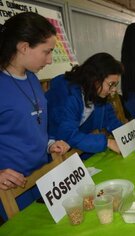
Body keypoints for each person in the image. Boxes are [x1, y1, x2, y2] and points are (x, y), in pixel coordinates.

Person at [0, 12, 70, 221]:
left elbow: (32, 126)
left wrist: (49, 144)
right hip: (11, 189)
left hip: (42, 177)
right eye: (46, 52)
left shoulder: (31, 77)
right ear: (23, 47)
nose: (49, 60)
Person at [46, 53, 123, 158]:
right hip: (54, 156)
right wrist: (107, 143)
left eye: (115, 85)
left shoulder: (95, 92)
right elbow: (67, 134)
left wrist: (126, 134)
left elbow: (111, 119)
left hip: (79, 152)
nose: (113, 90)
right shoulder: (68, 95)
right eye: (111, 84)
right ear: (95, 79)